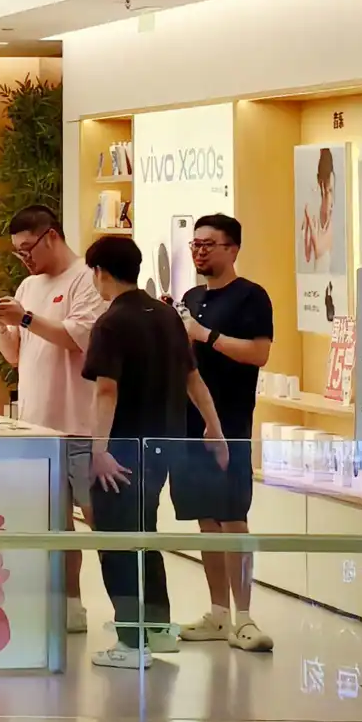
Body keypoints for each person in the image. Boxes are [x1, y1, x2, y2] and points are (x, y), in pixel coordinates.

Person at [81, 235, 228, 670]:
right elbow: (193, 379)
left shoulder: (111, 323)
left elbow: (106, 391)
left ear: (100, 273)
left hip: (123, 450)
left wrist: (99, 450)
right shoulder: (166, 315)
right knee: (146, 532)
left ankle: (131, 642)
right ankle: (157, 630)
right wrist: (215, 429)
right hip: (165, 445)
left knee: (118, 541)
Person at [0, 205, 105, 635]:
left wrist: (24, 317)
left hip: (79, 425)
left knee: (102, 523)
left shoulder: (86, 279)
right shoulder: (28, 285)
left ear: (51, 236)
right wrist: (4, 327)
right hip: (37, 427)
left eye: (27, 249)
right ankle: (69, 606)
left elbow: (80, 338)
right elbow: (15, 355)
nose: (24, 259)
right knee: (56, 527)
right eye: (17, 253)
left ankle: (132, 611)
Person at [174, 215, 275, 653]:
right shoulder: (191, 297)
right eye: (195, 244)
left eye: (208, 244)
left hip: (230, 421)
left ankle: (245, 616)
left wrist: (206, 335)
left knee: (234, 516)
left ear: (232, 249)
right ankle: (218, 613)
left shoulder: (251, 296)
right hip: (188, 421)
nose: (199, 251)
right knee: (205, 518)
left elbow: (259, 353)